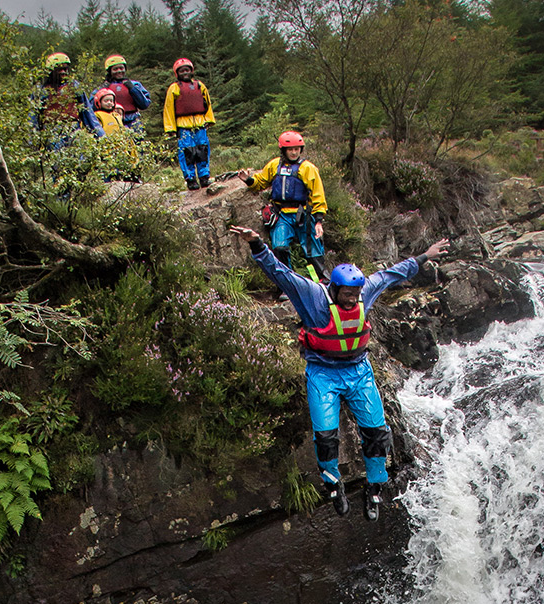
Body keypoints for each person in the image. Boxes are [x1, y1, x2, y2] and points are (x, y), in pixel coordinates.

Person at [229, 223, 450, 520]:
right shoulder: (313, 296)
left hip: (359, 370)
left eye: (356, 293)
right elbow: (280, 274)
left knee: (376, 434)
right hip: (323, 374)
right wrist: (257, 244)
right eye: (347, 293)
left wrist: (425, 255)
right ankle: (334, 486)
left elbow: (393, 274)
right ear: (335, 288)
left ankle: (374, 489)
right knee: (326, 437)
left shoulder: (363, 292)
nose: (353, 298)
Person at [238, 131, 329, 280]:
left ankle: (323, 281)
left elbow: (318, 194)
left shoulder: (308, 168)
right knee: (279, 247)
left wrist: (318, 220)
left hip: (303, 214)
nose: (294, 152)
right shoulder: (274, 165)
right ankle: (288, 284)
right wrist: (249, 180)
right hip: (281, 215)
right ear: (283, 150)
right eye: (290, 149)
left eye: (297, 149)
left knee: (312, 251)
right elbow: (260, 182)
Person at [162, 57, 215, 191]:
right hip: (183, 126)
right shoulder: (174, 88)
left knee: (202, 150)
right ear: (177, 73)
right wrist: (170, 128)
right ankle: (190, 179)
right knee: (187, 152)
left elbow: (207, 103)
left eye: (187, 70)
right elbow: (168, 108)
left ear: (191, 71)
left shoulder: (199, 85)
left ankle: (204, 176)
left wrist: (209, 120)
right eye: (182, 71)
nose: (185, 73)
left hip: (199, 124)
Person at [33, 52, 104, 146]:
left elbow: (88, 113)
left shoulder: (74, 86)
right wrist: (33, 139)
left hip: (73, 128)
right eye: (59, 69)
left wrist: (101, 136)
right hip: (52, 131)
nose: (63, 72)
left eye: (65, 69)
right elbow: (33, 116)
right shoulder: (42, 90)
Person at [93, 54, 151, 131]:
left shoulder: (135, 85)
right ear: (109, 71)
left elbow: (144, 104)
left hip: (133, 121)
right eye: (115, 69)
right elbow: (92, 106)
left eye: (121, 68)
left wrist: (132, 89)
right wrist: (103, 88)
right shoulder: (102, 88)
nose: (119, 71)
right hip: (111, 121)